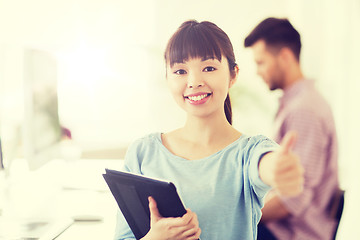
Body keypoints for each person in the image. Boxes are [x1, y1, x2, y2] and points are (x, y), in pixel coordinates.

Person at [114, 20, 304, 240]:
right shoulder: (142, 152)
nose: (194, 81)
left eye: (209, 68)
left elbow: (266, 164)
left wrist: (279, 170)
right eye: (180, 71)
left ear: (233, 74)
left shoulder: (248, 152)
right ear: (167, 77)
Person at [244, 17, 339, 240]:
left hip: (291, 234)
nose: (258, 72)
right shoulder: (297, 103)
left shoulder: (304, 110)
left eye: (261, 62)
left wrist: (239, 215)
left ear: (285, 57)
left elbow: (292, 200)